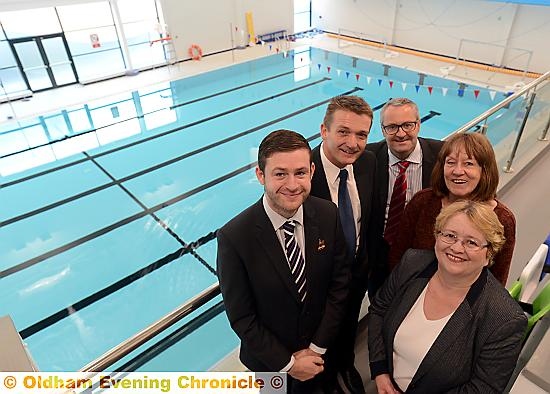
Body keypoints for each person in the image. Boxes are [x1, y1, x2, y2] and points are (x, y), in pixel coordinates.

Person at [217, 129, 351, 393]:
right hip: (270, 367)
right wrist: (288, 364)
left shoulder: (327, 214)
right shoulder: (235, 237)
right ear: (260, 175)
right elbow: (242, 317)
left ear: (312, 172)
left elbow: (340, 285)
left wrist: (316, 349)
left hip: (321, 355)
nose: (292, 185)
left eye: (300, 173)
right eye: (280, 174)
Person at [368, 200, 527, 393]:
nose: (457, 248)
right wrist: (380, 371)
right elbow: (378, 310)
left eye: (471, 242)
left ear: (488, 255)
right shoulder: (412, 263)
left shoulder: (504, 318)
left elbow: (483, 388)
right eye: (450, 236)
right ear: (437, 236)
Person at [388, 132, 515, 285]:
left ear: (485, 170)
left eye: (468, 163)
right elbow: (397, 260)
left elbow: (496, 281)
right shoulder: (423, 202)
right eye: (451, 162)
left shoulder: (502, 219)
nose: (457, 171)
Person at [310, 95, 375, 393]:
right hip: (317, 286)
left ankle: (345, 365)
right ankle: (323, 379)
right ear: (324, 130)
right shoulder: (303, 175)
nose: (353, 143)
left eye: (361, 134)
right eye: (344, 132)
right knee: (317, 339)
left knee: (348, 324)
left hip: (356, 273)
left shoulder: (368, 163)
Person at [366, 98, 443, 298]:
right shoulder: (368, 157)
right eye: (392, 127)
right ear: (382, 130)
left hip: (425, 253)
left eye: (407, 125)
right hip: (380, 254)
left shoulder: (442, 157)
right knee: (379, 304)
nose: (400, 133)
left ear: (418, 125)